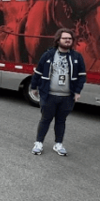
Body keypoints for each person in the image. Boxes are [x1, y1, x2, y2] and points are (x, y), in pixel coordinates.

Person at [30, 29, 86, 157]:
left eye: (70, 39)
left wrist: (77, 92)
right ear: (58, 40)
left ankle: (58, 144)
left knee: (61, 121)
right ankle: (39, 143)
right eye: (65, 38)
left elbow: (82, 76)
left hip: (67, 97)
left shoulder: (77, 57)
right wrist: (34, 87)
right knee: (45, 120)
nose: (67, 40)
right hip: (49, 95)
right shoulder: (48, 55)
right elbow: (38, 72)